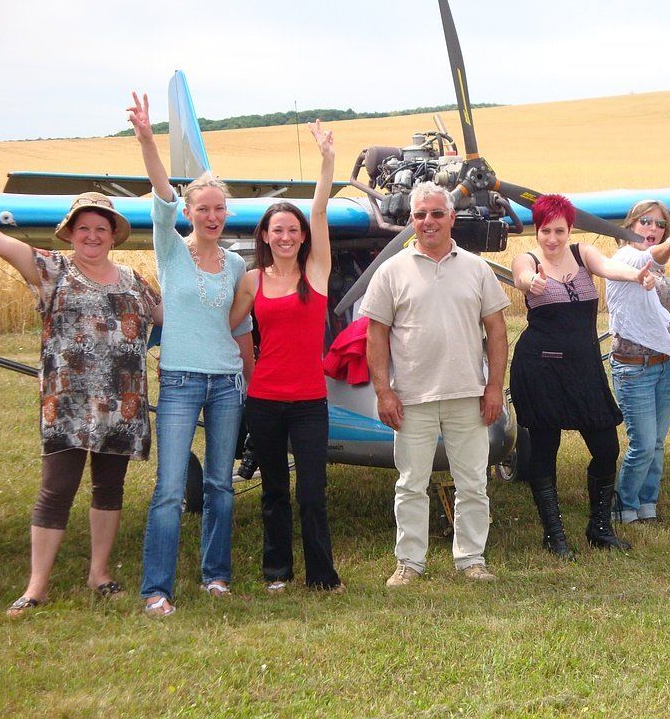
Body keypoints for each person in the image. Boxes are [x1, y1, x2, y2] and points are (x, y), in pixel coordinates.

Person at [0, 193, 162, 617]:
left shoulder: (135, 281)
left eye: (100, 229)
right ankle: (36, 586)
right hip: (67, 406)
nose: (92, 236)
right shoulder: (52, 269)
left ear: (113, 236)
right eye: (83, 228)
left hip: (121, 406)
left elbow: (174, 318)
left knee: (109, 488)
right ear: (70, 233)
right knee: (56, 490)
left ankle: (100, 574)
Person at [129, 92, 255, 617]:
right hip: (180, 381)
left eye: (219, 209)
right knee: (168, 488)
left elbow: (241, 327)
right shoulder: (170, 251)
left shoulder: (233, 267)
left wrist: (253, 380)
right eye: (202, 208)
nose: (211, 215)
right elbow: (161, 195)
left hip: (227, 383)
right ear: (189, 213)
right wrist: (145, 139)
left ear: (226, 214)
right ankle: (157, 588)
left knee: (222, 485)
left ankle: (216, 575)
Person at [360, 182, 510, 586]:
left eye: (437, 214)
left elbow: (496, 331)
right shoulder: (391, 271)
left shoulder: (476, 269)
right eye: (420, 215)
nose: (428, 222)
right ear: (412, 220)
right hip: (412, 398)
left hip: (467, 394)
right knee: (410, 484)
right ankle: (409, 562)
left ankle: (471, 559)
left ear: (452, 218)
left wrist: (494, 387)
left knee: (474, 483)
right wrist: (383, 391)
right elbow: (376, 335)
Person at [228, 122, 343, 593]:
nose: (286, 236)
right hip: (265, 400)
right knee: (274, 491)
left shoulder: (315, 273)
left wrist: (327, 160)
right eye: (278, 230)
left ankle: (322, 575)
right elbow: (230, 326)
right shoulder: (252, 281)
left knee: (311, 494)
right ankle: (277, 573)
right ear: (266, 235)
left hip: (310, 401)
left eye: (292, 230)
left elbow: (319, 208)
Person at [510, 194, 654, 559]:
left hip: (584, 368)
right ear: (537, 230)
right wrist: (532, 284)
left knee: (607, 448)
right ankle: (554, 535)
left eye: (559, 230)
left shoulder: (582, 252)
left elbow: (608, 267)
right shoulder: (526, 260)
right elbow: (523, 278)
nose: (553, 239)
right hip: (540, 367)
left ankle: (599, 528)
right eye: (546, 231)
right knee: (545, 449)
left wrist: (635, 276)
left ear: (570, 229)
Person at [605, 199, 670, 524]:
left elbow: (656, 258)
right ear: (629, 226)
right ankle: (623, 506)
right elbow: (646, 255)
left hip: (667, 363)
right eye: (645, 222)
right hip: (633, 367)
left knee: (656, 443)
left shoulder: (656, 266)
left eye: (659, 225)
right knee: (641, 445)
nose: (652, 229)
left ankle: (647, 504)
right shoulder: (624, 257)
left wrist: (666, 249)